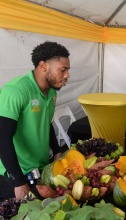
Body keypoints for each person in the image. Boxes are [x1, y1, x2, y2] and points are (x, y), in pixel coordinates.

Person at [0, 41, 70, 201]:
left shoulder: (52, 92)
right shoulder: (16, 90)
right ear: (43, 65)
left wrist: (57, 150)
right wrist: (18, 181)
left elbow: (46, 123)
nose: (67, 75)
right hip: (14, 173)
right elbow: (2, 138)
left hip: (39, 168)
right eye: (63, 69)